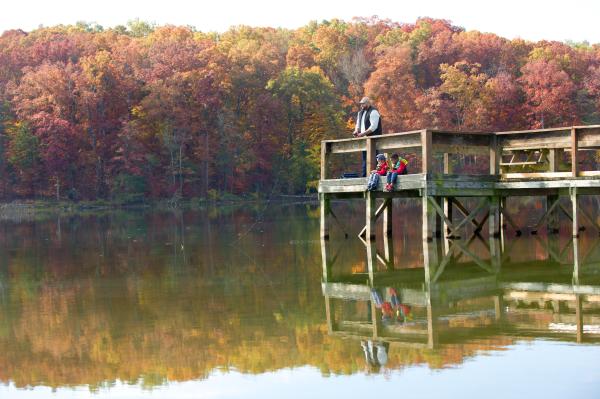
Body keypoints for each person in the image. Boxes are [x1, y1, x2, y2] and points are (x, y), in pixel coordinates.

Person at [352, 97, 382, 177]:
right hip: (364, 139)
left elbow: (373, 127)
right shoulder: (360, 113)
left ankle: (375, 176)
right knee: (365, 159)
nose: (361, 105)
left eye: (363, 103)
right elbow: (358, 125)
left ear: (368, 103)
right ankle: (365, 176)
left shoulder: (374, 112)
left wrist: (363, 134)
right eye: (361, 104)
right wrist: (356, 131)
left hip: (373, 140)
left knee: (375, 159)